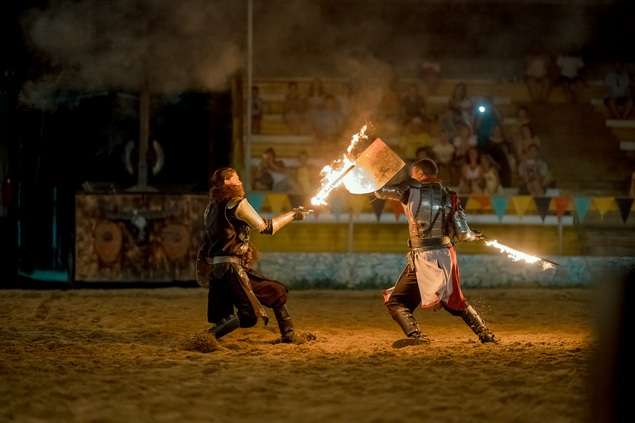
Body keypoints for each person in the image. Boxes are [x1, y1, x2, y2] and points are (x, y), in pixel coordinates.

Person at [375, 159, 497, 345]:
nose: (412, 177)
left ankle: (417, 337)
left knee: (397, 301)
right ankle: (485, 334)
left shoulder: (410, 190)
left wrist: (373, 171)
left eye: (414, 174)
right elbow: (463, 234)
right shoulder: (450, 195)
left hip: (424, 254)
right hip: (444, 255)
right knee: (454, 301)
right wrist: (475, 235)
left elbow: (379, 191)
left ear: (420, 174)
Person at [198, 167, 311, 343]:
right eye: (237, 178)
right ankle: (206, 338)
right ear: (227, 182)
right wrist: (293, 214)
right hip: (232, 270)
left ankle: (288, 335)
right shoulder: (237, 203)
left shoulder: (210, 208)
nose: (241, 182)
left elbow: (211, 240)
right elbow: (267, 228)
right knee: (249, 316)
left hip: (221, 269)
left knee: (275, 291)